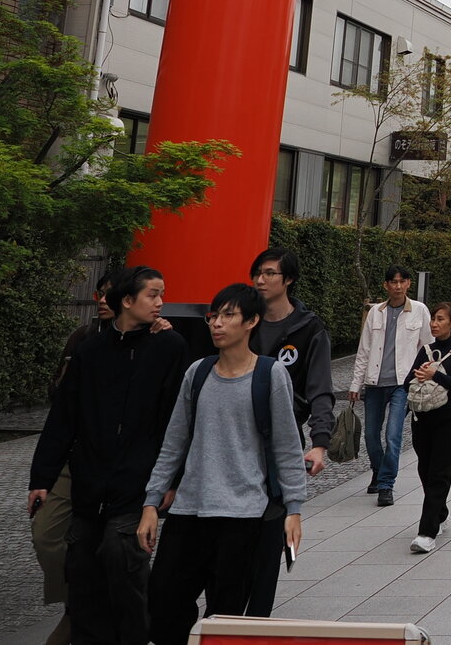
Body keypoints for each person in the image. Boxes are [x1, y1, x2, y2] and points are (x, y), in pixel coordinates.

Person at [28, 264, 188, 645]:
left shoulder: (169, 347)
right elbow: (63, 418)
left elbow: (175, 421)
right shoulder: (91, 350)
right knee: (82, 571)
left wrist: (170, 481)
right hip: (90, 481)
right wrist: (42, 478)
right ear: (127, 301)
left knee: (125, 564)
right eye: (153, 295)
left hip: (137, 482)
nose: (161, 303)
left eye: (161, 294)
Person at [141, 284, 307, 645]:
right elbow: (174, 443)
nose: (217, 323)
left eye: (228, 315)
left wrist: (293, 508)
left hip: (243, 515)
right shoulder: (197, 373)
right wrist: (151, 502)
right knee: (163, 603)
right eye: (213, 315)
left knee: (226, 616)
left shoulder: (270, 374)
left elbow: (287, 447)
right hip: (189, 509)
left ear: (251, 321)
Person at [245, 246, 333, 615]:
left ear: (289, 279)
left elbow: (320, 389)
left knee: (270, 533)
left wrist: (320, 443)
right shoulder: (242, 318)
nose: (261, 280)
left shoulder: (308, 328)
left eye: (269, 274)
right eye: (257, 274)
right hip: (235, 438)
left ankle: (255, 619)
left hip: (281, 441)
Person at [31, 269, 115, 645]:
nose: (101, 301)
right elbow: (59, 406)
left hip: (117, 463)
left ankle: (81, 614)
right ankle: (77, 606)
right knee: (47, 534)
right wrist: (41, 477)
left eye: (110, 294)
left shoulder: (156, 341)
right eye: (99, 293)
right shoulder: (82, 337)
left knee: (108, 545)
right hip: (73, 452)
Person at [348, 265, 430, 504]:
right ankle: (377, 468)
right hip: (374, 383)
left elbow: (427, 347)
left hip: (401, 384)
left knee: (392, 435)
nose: (397, 286)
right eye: (392, 282)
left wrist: (424, 375)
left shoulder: (419, 311)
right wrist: (356, 384)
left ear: (408, 284)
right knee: (371, 436)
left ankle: (386, 484)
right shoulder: (376, 312)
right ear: (386, 285)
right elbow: (364, 350)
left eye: (401, 281)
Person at [407, 302, 451, 553]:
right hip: (422, 417)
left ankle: (426, 531)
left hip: (448, 417)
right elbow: (408, 382)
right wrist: (419, 378)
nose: (434, 324)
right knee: (424, 467)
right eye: (433, 319)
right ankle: (440, 511)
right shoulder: (425, 350)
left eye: (440, 319)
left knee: (439, 470)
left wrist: (436, 375)